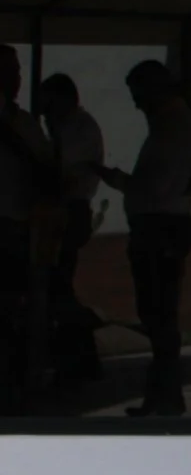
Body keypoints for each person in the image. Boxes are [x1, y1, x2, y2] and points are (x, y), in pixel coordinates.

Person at [99, 60, 191, 417]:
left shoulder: (171, 127)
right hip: (163, 226)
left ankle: (165, 396)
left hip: (158, 229)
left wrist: (119, 181)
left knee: (158, 314)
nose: (136, 104)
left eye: (138, 94)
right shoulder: (176, 125)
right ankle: (163, 395)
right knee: (159, 314)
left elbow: (155, 187)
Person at [37, 73, 103, 385]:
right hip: (67, 210)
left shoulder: (79, 129)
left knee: (60, 284)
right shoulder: (75, 127)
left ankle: (81, 357)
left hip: (70, 210)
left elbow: (61, 169)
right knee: (59, 283)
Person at [0, 48, 50, 412]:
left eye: (17, 71)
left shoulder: (24, 124)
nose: (17, 79)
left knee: (14, 307)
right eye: (10, 71)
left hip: (16, 227)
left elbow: (44, 169)